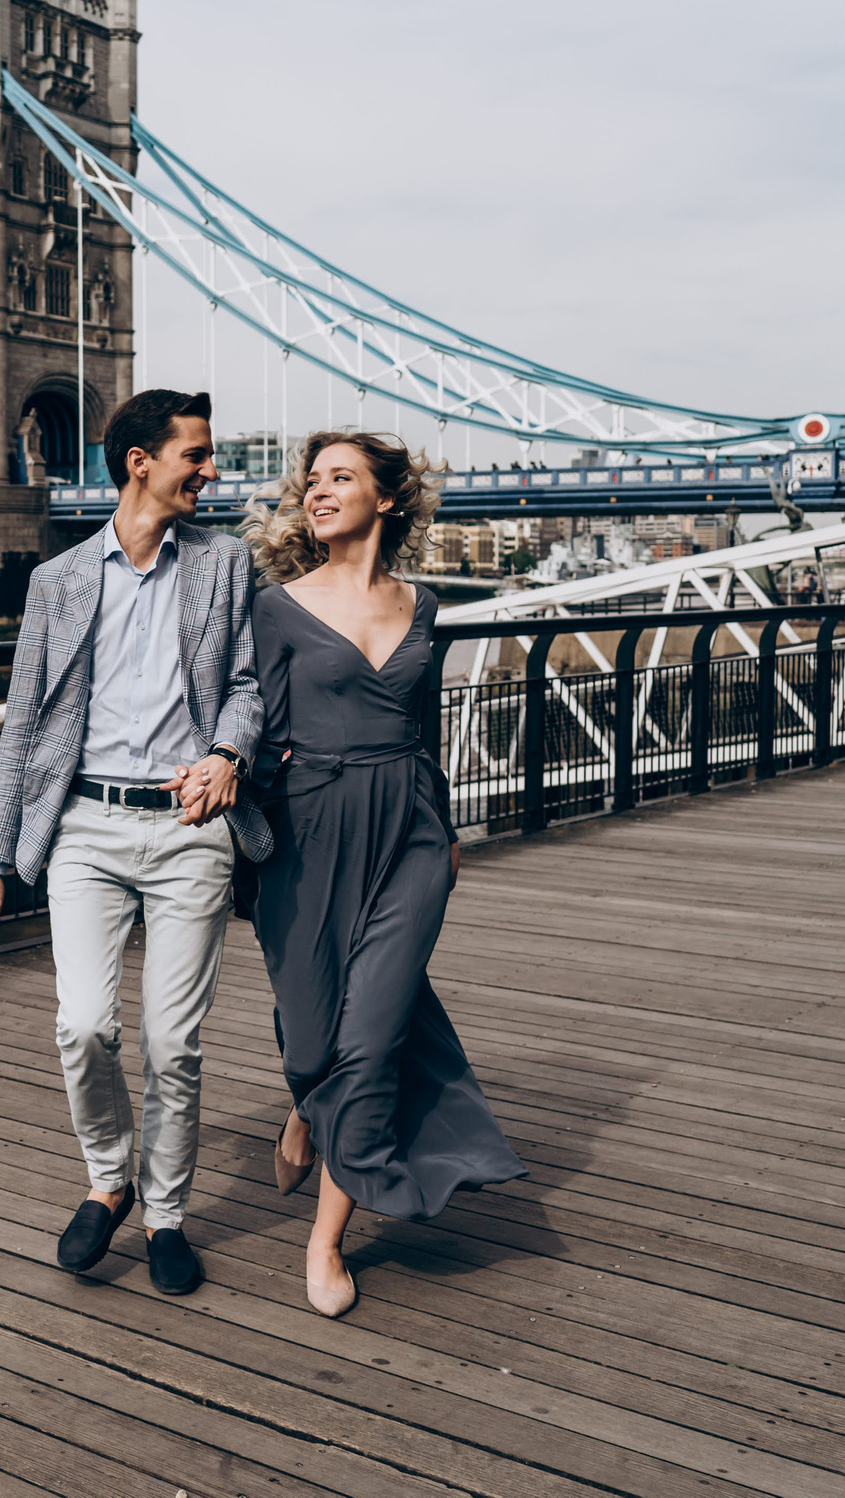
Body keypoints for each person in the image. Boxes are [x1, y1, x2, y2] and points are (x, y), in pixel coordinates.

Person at [0, 389, 268, 1296]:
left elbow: (246, 687)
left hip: (189, 829)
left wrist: (226, 752)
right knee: (83, 1024)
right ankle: (109, 1180)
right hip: (85, 829)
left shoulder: (225, 563)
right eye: (196, 455)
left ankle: (166, 1213)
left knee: (174, 1043)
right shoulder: (57, 581)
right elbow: (22, 728)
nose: (211, 471)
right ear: (140, 460)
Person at [240, 431, 526, 1317]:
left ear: (388, 499)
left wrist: (442, 829)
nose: (318, 493)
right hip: (310, 834)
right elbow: (251, 728)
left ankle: (327, 1241)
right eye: (312, 481)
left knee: (370, 1042)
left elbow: (422, 728)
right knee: (319, 1035)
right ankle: (310, 1103)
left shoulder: (425, 604)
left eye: (341, 479)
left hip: (409, 833)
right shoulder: (274, 608)